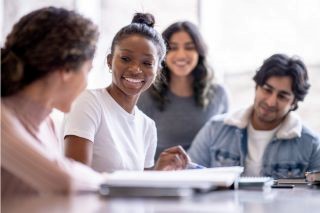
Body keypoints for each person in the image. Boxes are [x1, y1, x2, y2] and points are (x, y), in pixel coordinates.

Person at [63, 13, 189, 173]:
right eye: (125, 58)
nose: (135, 69)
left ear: (157, 70)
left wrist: (158, 172)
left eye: (147, 63)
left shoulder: (147, 126)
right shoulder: (88, 102)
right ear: (110, 60)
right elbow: (76, 177)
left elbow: (141, 191)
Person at [1, 7, 104, 196]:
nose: (86, 83)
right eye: (87, 70)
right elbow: (65, 180)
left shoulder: (46, 122)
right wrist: (108, 181)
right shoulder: (2, 119)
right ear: (66, 69)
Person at [188, 54, 320, 178]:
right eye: (267, 90)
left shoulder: (311, 144)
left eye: (282, 96)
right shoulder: (215, 129)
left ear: (294, 102)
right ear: (256, 86)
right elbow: (189, 177)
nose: (271, 102)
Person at [137, 21, 229, 158]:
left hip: (206, 175)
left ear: (199, 52)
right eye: (173, 48)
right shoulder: (145, 94)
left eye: (189, 47)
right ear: (161, 54)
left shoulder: (219, 94)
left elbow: (223, 145)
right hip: (159, 176)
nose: (181, 55)